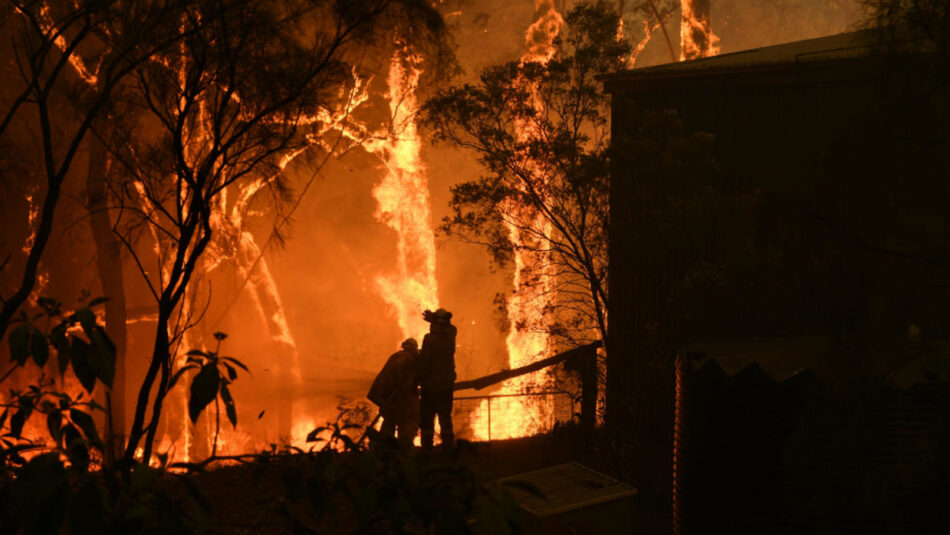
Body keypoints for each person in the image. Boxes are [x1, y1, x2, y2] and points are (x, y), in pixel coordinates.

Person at [367, 338, 420, 448]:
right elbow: (399, 376)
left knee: (390, 419)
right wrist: (403, 385)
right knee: (401, 420)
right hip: (391, 396)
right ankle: (400, 447)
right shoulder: (404, 358)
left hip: (387, 395)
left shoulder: (398, 356)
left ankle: (384, 447)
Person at [418, 308, 457, 449]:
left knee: (427, 420)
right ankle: (448, 447)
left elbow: (425, 361)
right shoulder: (451, 336)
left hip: (429, 387)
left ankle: (427, 449)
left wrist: (418, 377)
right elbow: (450, 328)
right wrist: (436, 320)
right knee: (445, 418)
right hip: (446, 387)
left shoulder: (429, 339)